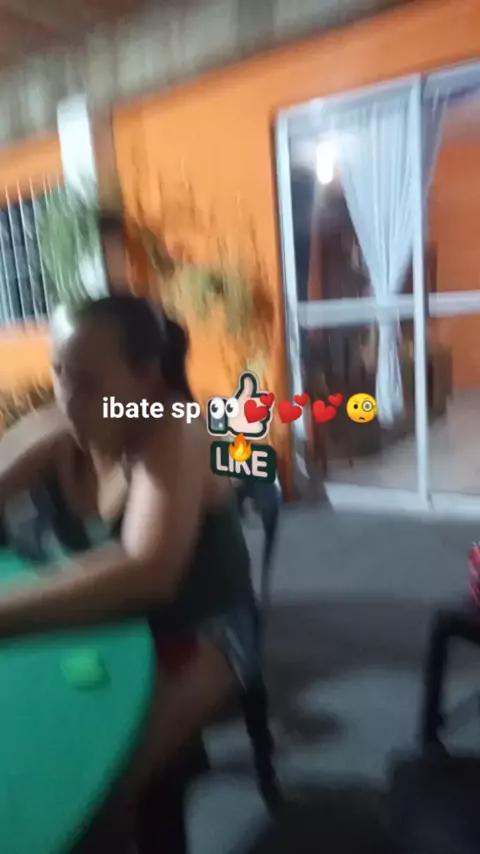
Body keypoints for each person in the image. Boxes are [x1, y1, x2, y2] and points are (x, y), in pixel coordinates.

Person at [0, 294, 257, 845]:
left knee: (95, 786)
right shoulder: (55, 430)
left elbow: (147, 571)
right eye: (60, 372)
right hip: (107, 626)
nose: (68, 398)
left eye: (89, 382)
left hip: (203, 629)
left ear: (145, 377)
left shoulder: (175, 429)